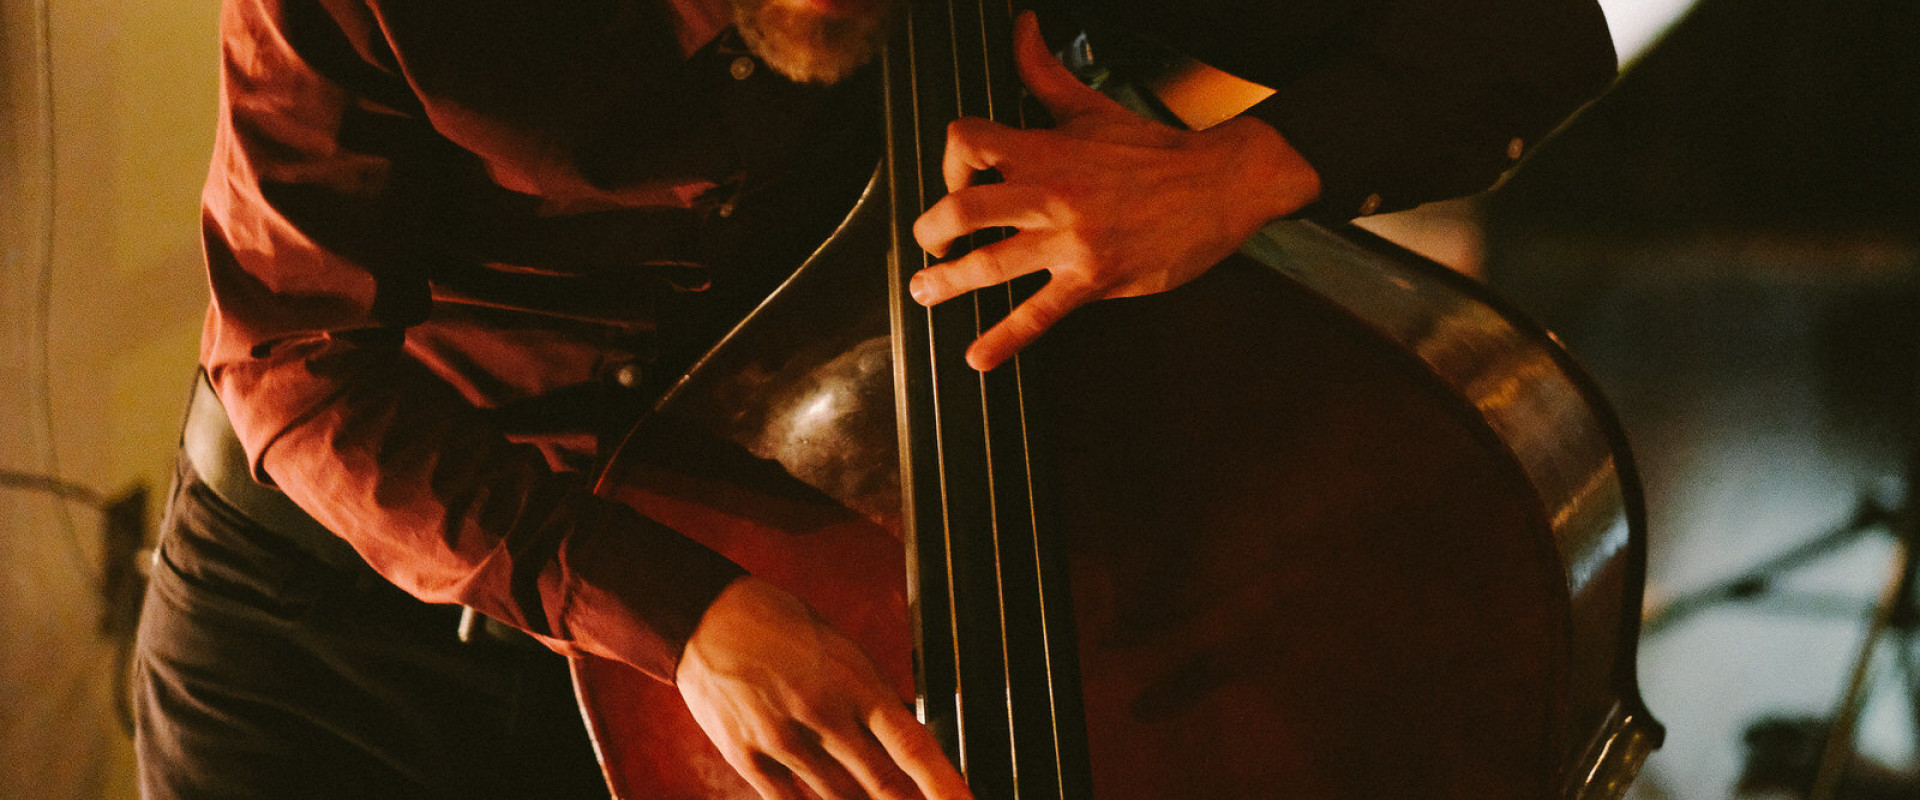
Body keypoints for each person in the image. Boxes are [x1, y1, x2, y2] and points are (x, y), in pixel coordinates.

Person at [131, 0, 1618, 796]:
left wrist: (1235, 174)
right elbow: (294, 363)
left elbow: (1530, 29)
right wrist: (684, 612)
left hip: (817, 611)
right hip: (346, 627)